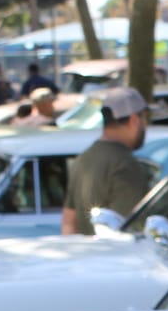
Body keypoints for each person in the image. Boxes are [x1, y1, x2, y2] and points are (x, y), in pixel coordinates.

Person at [63, 87, 152, 236]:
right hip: (117, 257)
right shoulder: (126, 165)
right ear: (134, 120)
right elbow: (128, 232)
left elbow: (68, 224)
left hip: (88, 256)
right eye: (144, 118)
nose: (145, 125)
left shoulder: (83, 159)